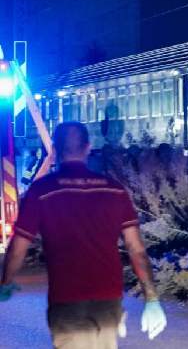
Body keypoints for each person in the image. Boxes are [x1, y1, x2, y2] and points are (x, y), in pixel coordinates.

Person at [0, 122, 166, 348]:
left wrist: (6, 281)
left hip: (67, 300)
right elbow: (136, 249)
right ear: (88, 147)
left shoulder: (42, 191)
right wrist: (152, 298)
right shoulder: (114, 189)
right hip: (109, 298)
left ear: (55, 151)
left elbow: (18, 245)